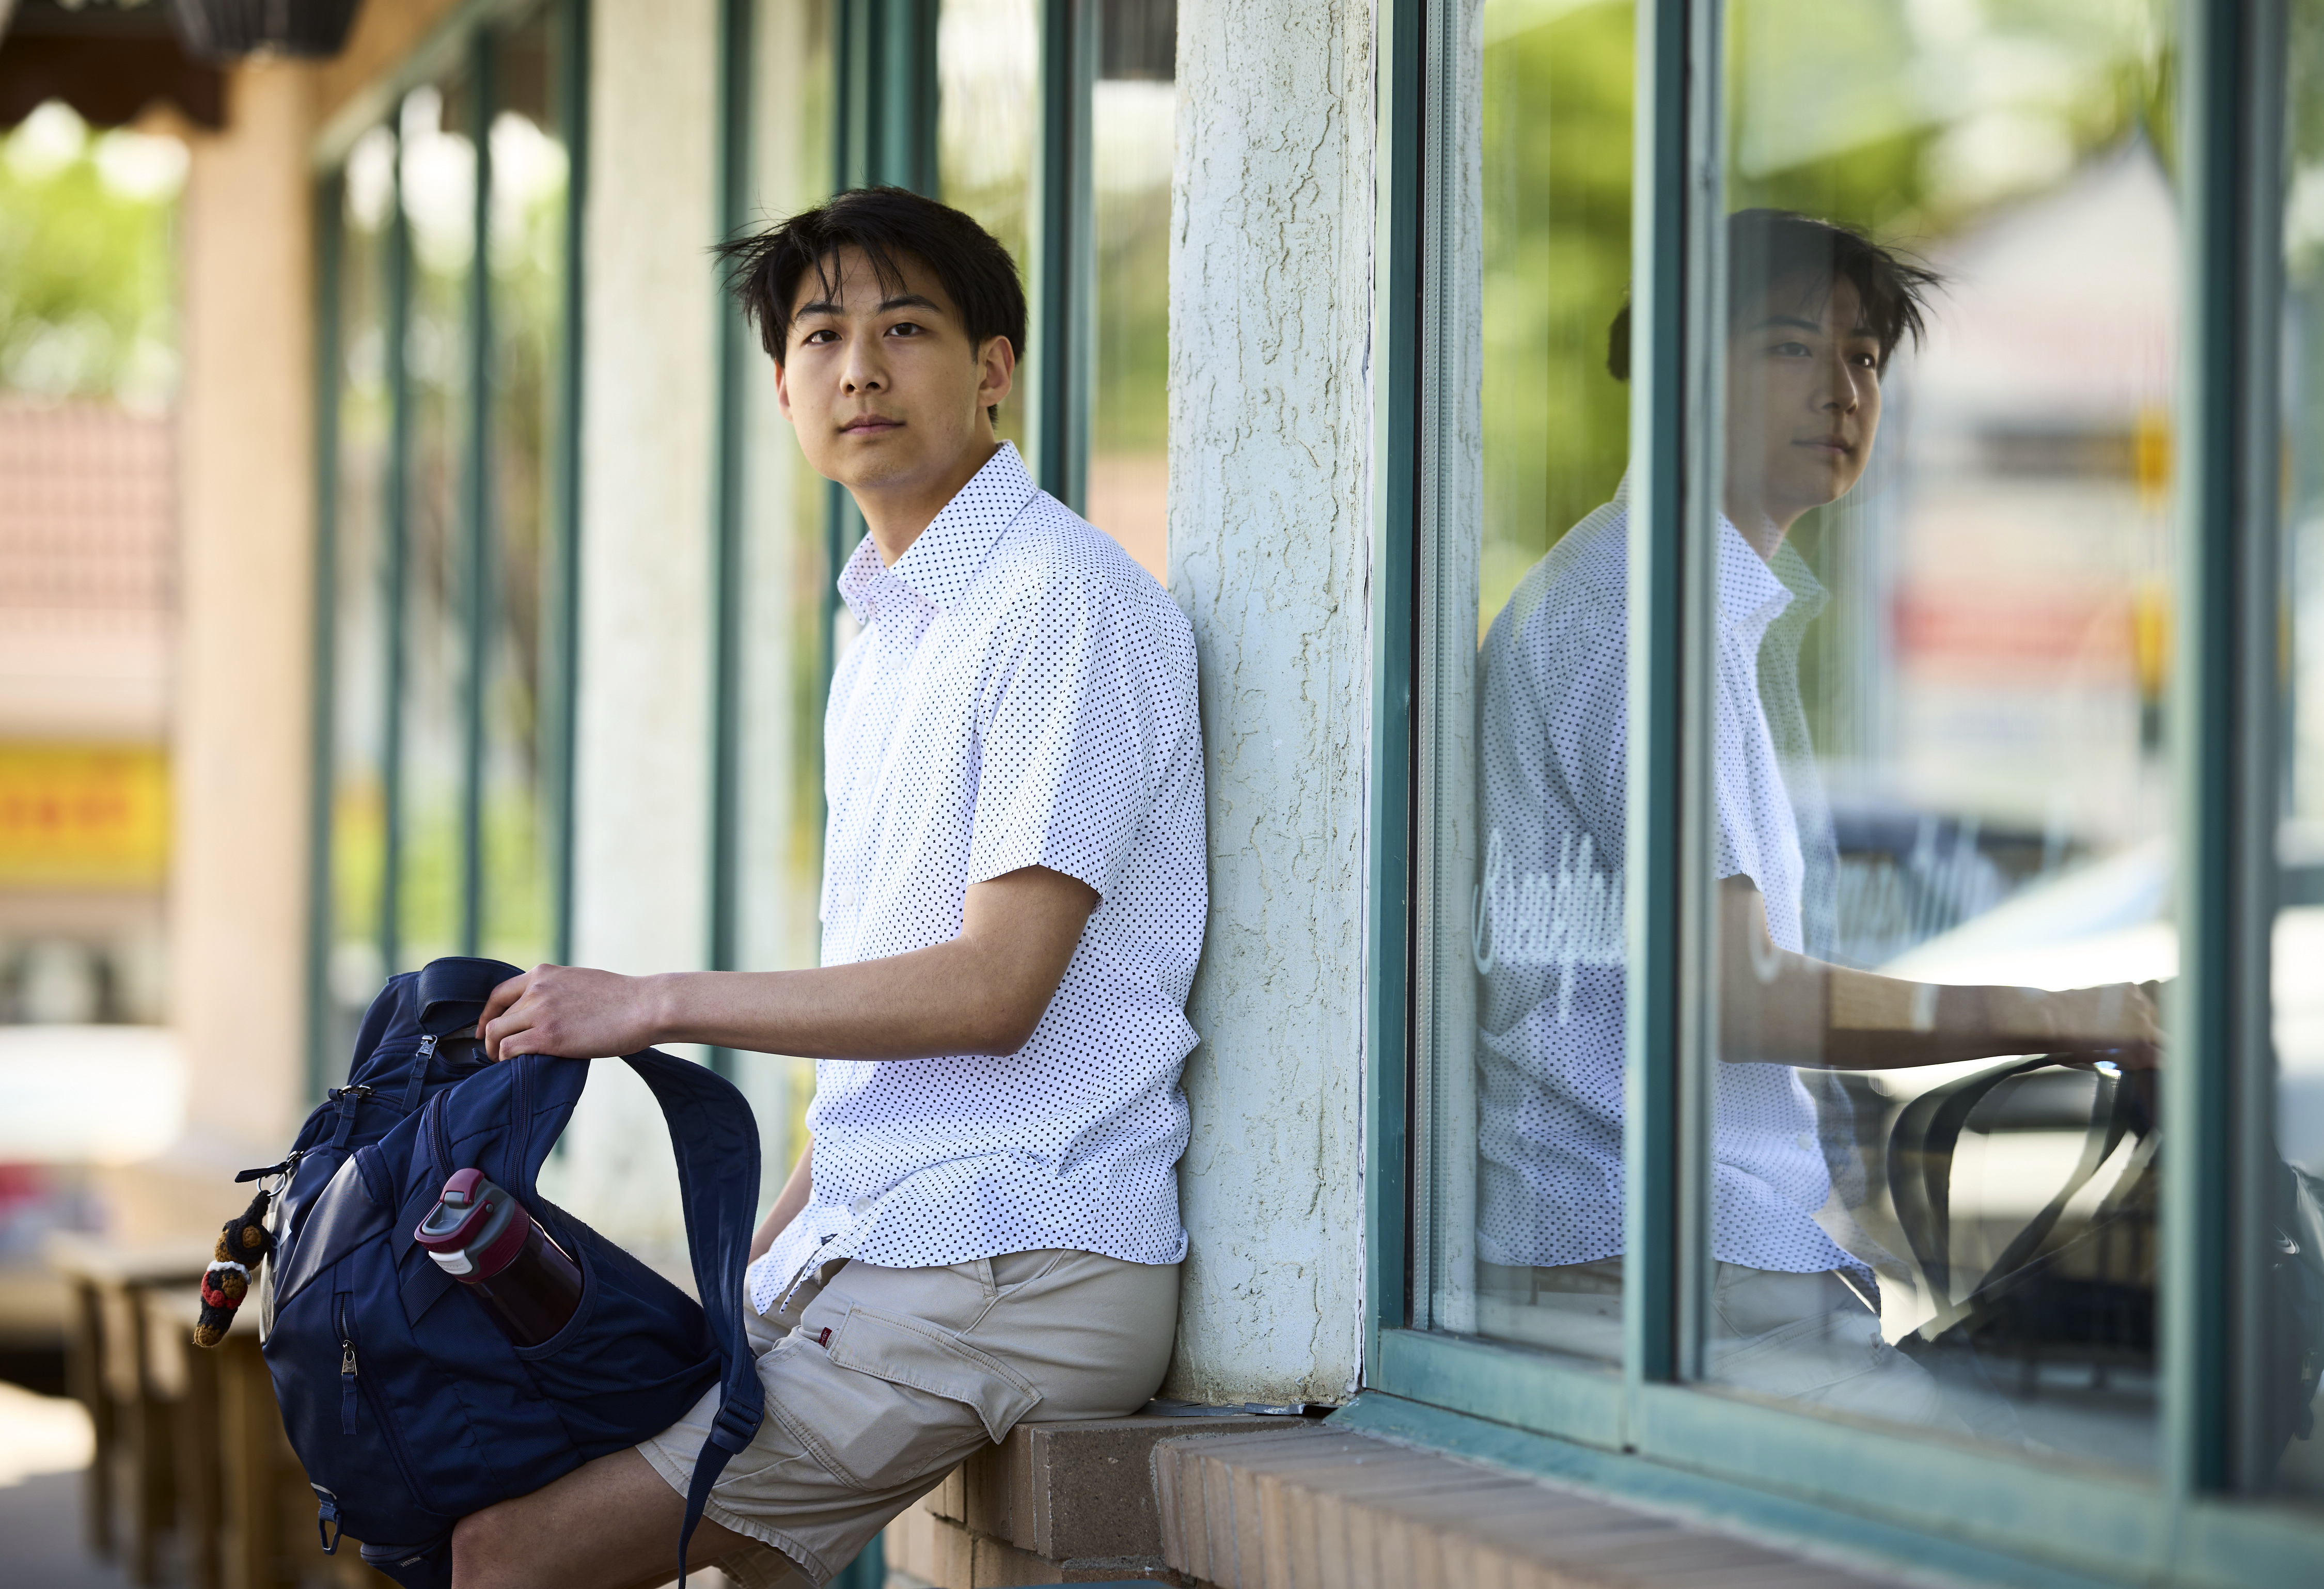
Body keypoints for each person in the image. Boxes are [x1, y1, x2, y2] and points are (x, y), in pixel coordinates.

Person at [447, 188, 1205, 1589]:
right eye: (821, 333)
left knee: (506, 1555)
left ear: (992, 368)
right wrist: (762, 1259)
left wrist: (653, 1002)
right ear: (784, 382)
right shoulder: (885, 639)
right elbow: (885, 1042)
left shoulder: (1061, 603)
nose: (858, 365)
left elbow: (992, 989)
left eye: (904, 327)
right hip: (897, 1243)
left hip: (1015, 1257)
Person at [1471, 209, 2157, 1417]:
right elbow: (1740, 994)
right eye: (1793, 348)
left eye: (1866, 358)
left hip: (1682, 1245)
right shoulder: (1641, 615)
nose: (1843, 391)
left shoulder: (1684, 599)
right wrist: (2065, 1014)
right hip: (1648, 1259)